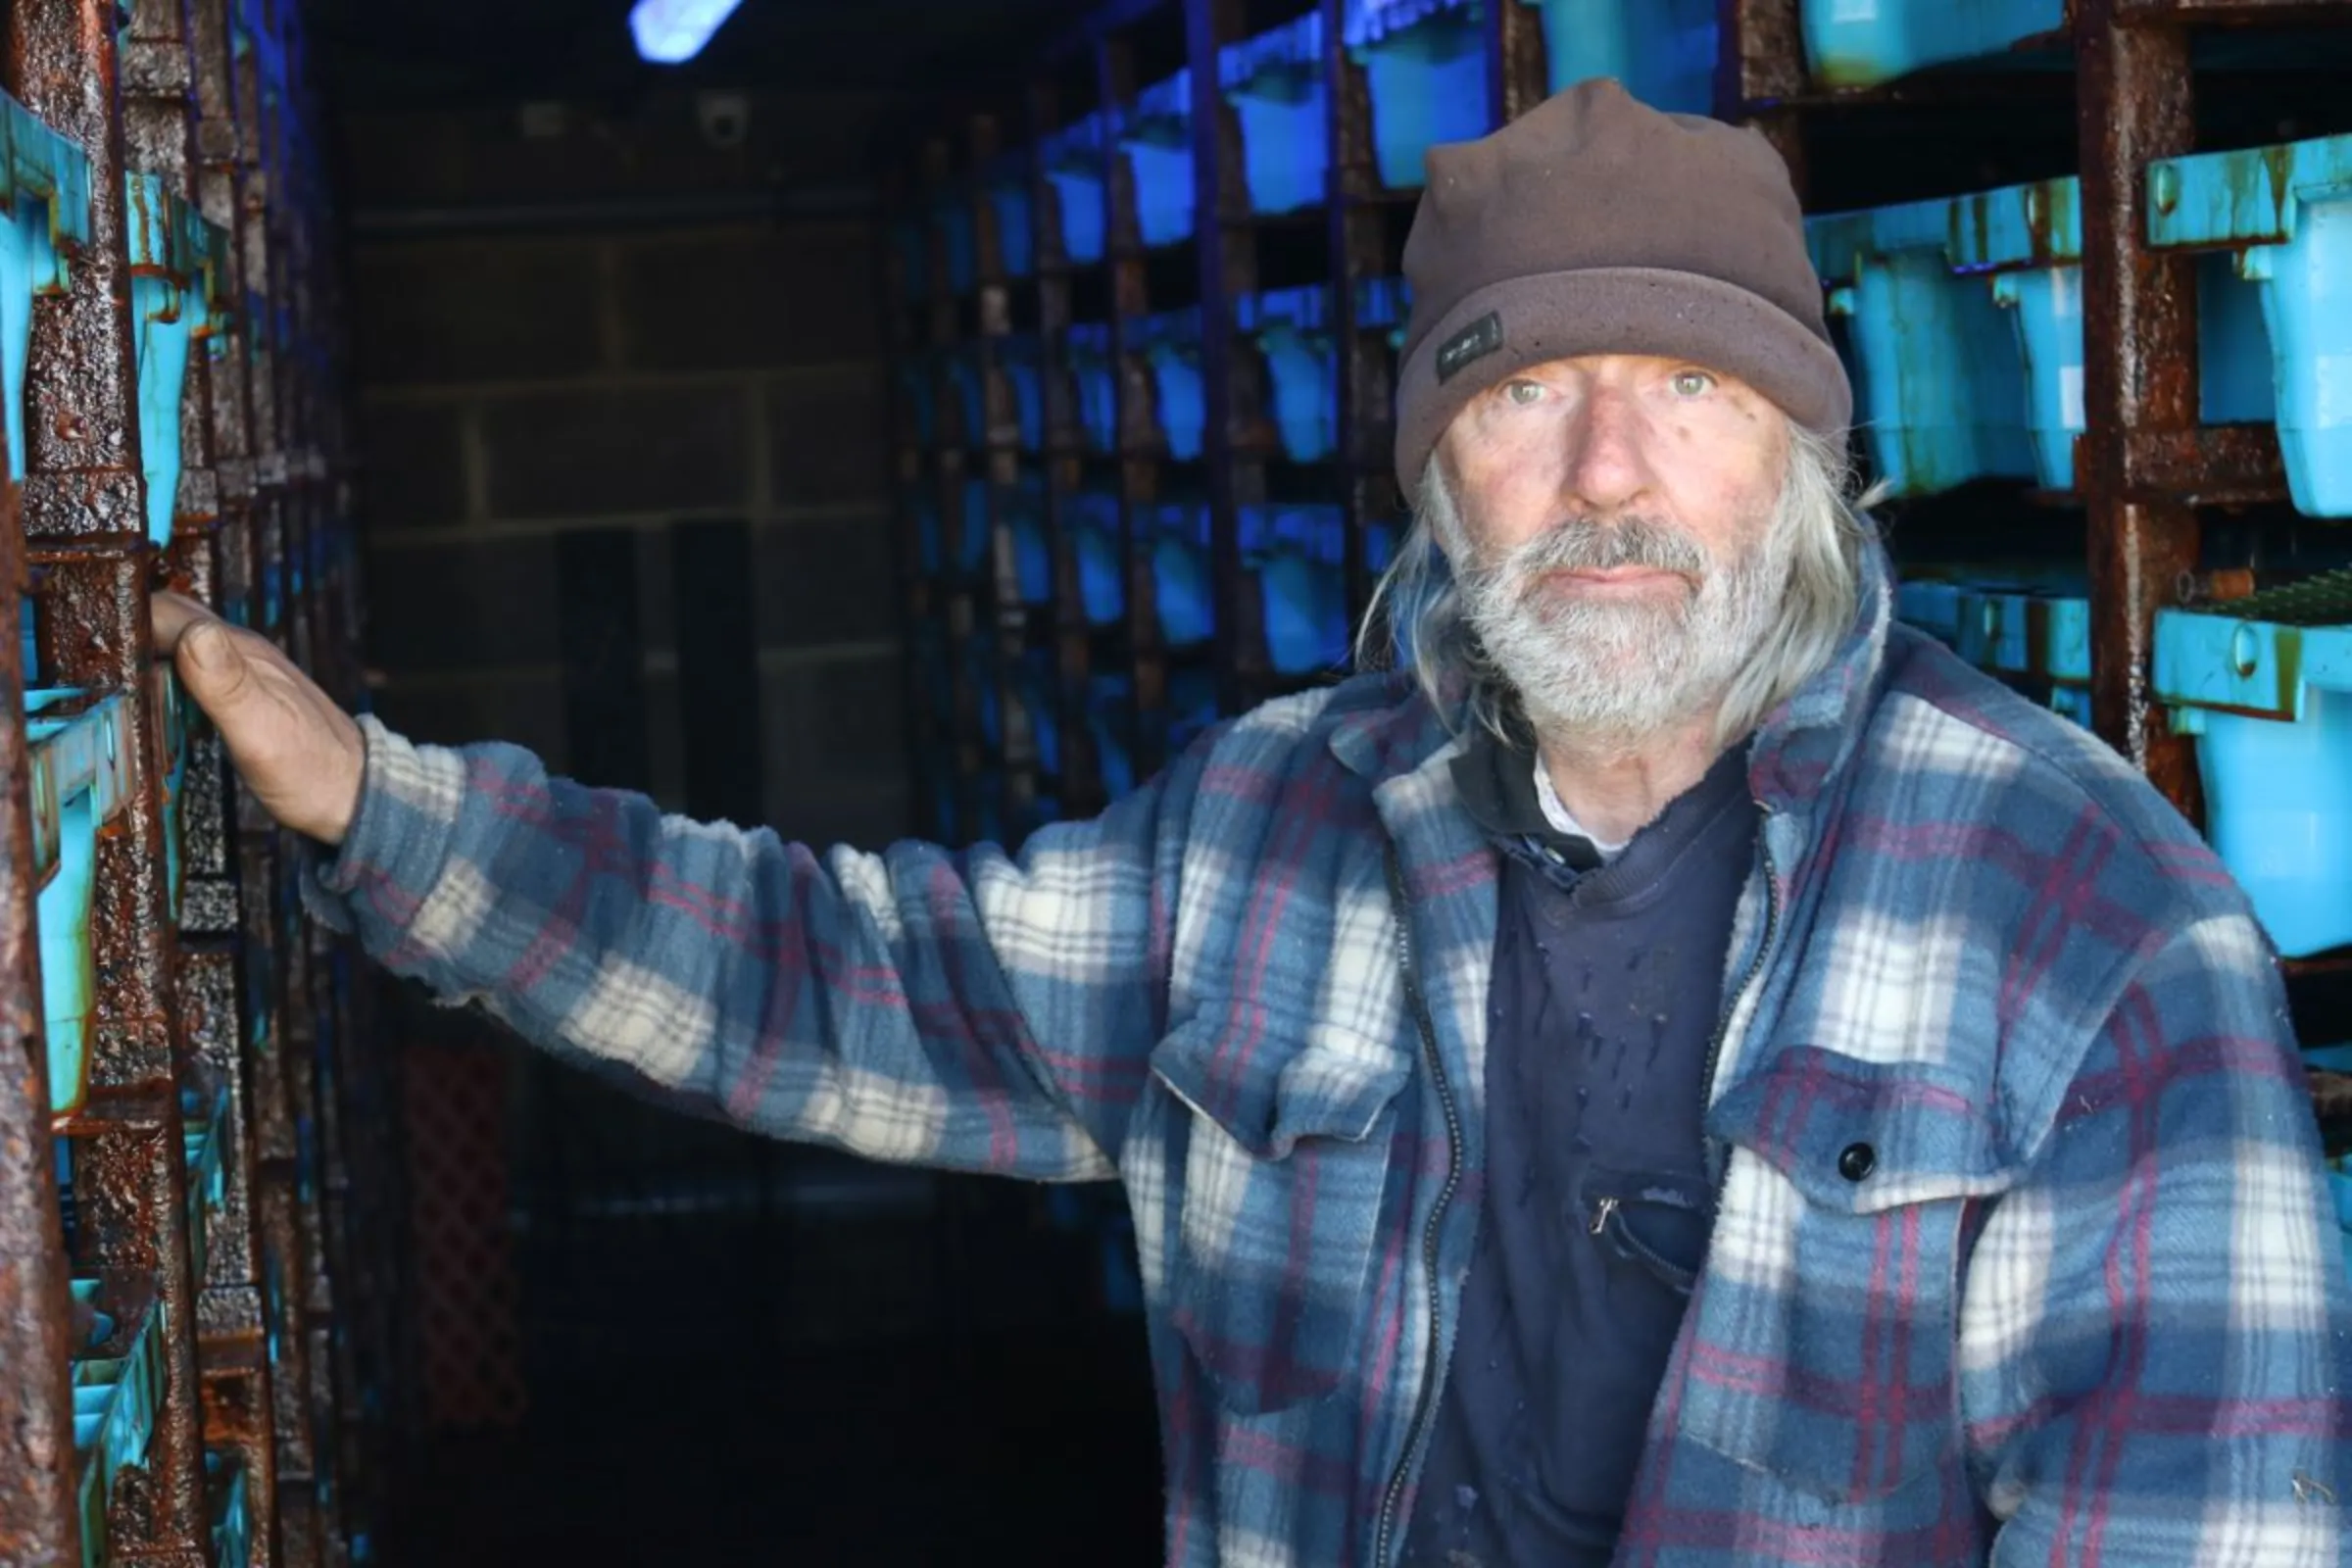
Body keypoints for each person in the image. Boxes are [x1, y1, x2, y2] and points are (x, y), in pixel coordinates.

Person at [153, 79, 2348, 1568]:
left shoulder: (2094, 922)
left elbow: (2199, 1519)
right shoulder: (1280, 828)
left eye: (1687, 389)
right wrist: (391, 809)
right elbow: (849, 978)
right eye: (1515, 395)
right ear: (1426, 470)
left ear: (1798, 454)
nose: (1602, 474)